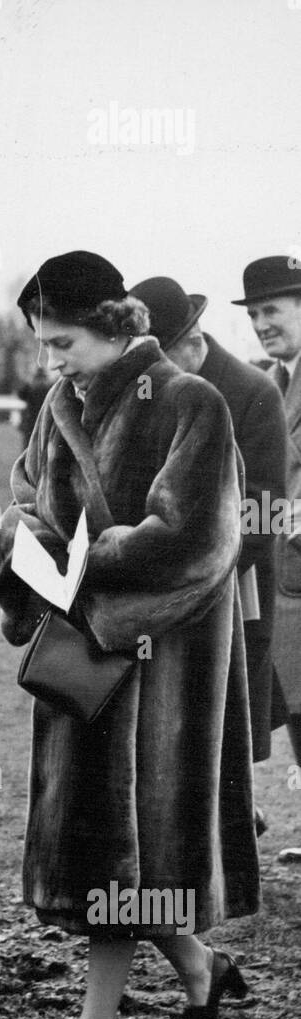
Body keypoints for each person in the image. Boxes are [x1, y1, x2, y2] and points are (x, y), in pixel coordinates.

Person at [0, 251, 258, 1019]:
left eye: (62, 342)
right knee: (117, 853)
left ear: (114, 325)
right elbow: (30, 497)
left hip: (162, 665)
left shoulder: (190, 403)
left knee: (121, 855)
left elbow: (200, 542)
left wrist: (89, 574)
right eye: (40, 346)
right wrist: (17, 542)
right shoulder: (58, 407)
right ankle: (202, 969)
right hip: (86, 667)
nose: (50, 362)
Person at [130, 276, 288, 812]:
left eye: (161, 355)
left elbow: (263, 512)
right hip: (165, 582)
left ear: (193, 340)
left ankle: (230, 823)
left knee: (225, 714)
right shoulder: (158, 388)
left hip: (236, 586)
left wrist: (193, 557)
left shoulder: (252, 393)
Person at [234, 256, 301, 858]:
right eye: (254, 313)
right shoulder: (274, 383)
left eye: (272, 310)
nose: (261, 323)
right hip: (282, 577)